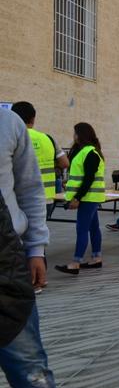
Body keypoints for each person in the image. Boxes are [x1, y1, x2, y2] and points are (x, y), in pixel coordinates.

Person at [0, 107, 55, 387]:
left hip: (7, 265)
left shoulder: (8, 123)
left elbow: (30, 189)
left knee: (30, 372)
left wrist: (36, 249)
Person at [54, 123, 105, 275]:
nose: (74, 136)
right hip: (90, 197)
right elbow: (81, 175)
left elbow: (89, 179)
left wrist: (77, 197)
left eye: (75, 133)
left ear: (81, 135)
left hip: (88, 198)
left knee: (82, 229)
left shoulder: (90, 153)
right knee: (93, 227)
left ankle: (76, 263)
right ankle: (96, 258)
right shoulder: (86, 151)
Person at [11, 101, 70, 220]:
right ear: (33, 119)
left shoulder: (12, 138)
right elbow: (65, 163)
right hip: (46, 198)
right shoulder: (48, 138)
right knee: (39, 230)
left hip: (19, 199)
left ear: (13, 118)